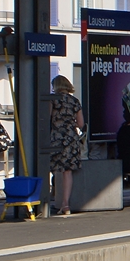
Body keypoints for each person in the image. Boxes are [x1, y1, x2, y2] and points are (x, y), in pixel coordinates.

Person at [49, 75, 84, 216]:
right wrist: (70, 123)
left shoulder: (53, 99)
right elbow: (81, 124)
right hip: (71, 138)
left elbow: (48, 117)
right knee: (67, 171)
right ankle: (66, 204)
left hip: (57, 137)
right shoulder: (75, 101)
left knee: (54, 167)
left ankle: (50, 199)